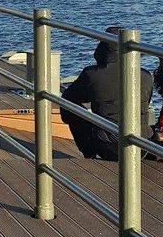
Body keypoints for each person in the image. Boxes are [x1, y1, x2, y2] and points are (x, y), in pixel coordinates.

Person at [61, 28, 154, 160]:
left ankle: (89, 152)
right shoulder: (145, 75)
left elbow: (68, 99)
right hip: (142, 146)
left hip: (108, 147)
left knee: (70, 106)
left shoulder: (91, 74)